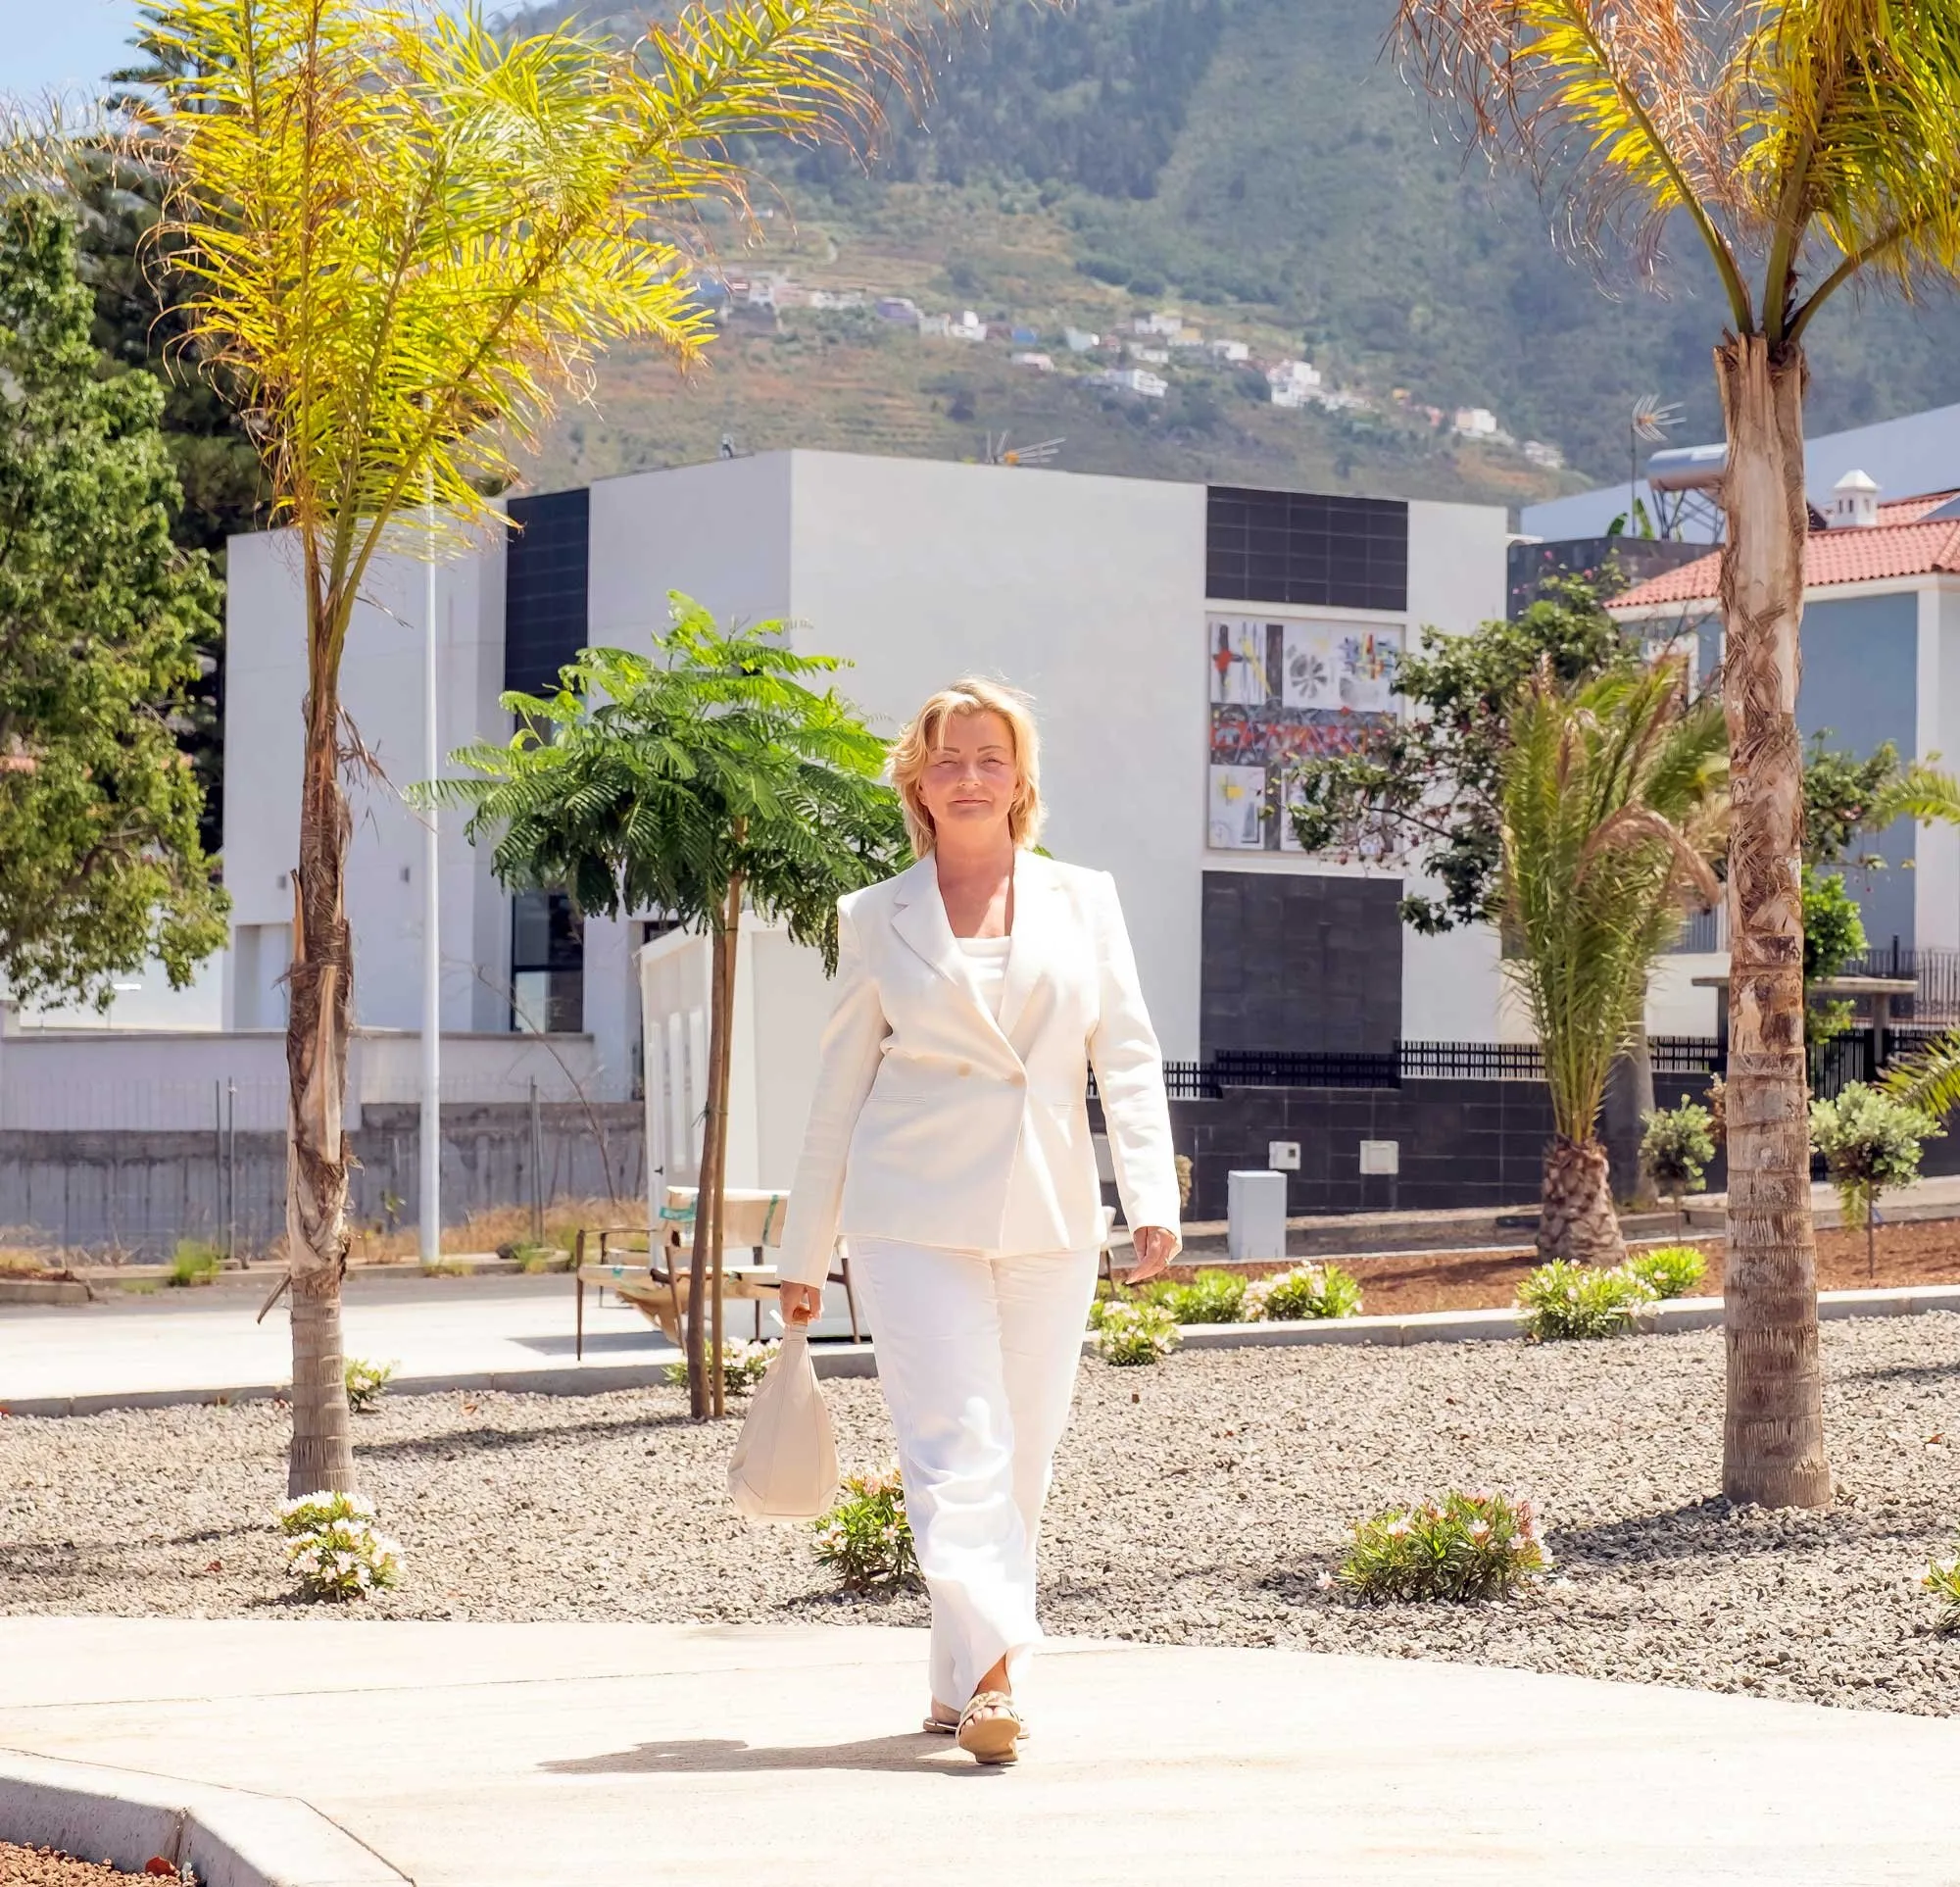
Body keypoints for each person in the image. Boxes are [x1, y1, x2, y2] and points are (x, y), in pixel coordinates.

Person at [772, 677, 1182, 1768]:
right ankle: (1001, 1678)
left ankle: (954, 1680)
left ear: (1020, 778)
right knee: (954, 1446)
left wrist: (1149, 1197)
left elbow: (1124, 1053)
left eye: (988, 757)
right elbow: (834, 1090)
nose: (967, 776)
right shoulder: (872, 914)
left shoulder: (1084, 899)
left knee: (1022, 1458)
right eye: (946, 758)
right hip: (909, 1212)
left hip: (1050, 1212)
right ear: (916, 780)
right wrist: (802, 1252)